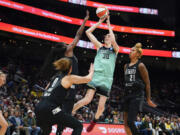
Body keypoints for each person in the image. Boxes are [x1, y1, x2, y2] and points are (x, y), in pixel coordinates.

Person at [37, 10, 89, 134]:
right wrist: (85, 21)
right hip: (69, 89)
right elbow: (78, 35)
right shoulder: (69, 51)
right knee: (65, 118)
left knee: (58, 118)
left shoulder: (60, 60)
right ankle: (59, 132)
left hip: (59, 92)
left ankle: (57, 131)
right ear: (65, 47)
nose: (68, 43)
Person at [72, 14, 119, 132]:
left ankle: (95, 121)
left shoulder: (115, 50)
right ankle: (70, 111)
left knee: (101, 106)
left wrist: (109, 25)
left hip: (107, 79)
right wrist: (100, 22)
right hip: (96, 75)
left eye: (110, 36)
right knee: (87, 100)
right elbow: (88, 32)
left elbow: (113, 39)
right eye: (107, 36)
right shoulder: (100, 47)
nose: (108, 37)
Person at [35, 58, 94, 135]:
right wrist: (91, 71)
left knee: (46, 130)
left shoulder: (55, 77)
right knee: (78, 126)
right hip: (51, 108)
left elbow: (46, 89)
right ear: (70, 68)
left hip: (39, 107)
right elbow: (88, 79)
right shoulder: (68, 78)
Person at [123, 43, 157, 135]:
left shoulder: (140, 65)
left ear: (138, 54)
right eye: (130, 50)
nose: (130, 52)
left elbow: (147, 83)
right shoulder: (126, 66)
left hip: (137, 95)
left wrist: (148, 99)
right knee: (125, 124)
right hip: (127, 95)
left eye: (132, 50)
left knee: (130, 122)